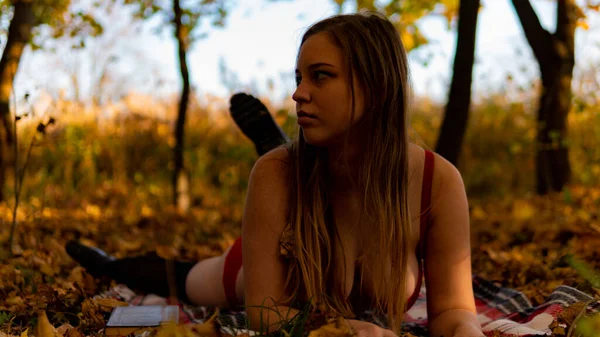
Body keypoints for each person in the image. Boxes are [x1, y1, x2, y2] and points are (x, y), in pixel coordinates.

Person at [66, 11, 484, 337]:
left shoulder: (436, 180)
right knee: (190, 278)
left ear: (376, 87)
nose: (298, 92)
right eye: (299, 77)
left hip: (295, 195)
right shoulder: (271, 175)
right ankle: (113, 263)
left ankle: (283, 148)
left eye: (320, 76)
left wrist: (466, 328)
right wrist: (337, 330)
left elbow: (452, 310)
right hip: (267, 253)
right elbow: (264, 313)